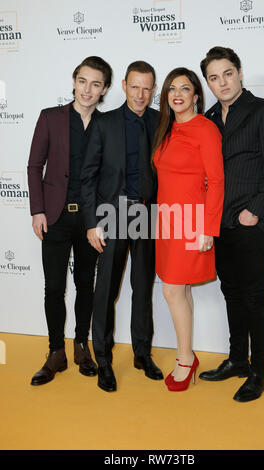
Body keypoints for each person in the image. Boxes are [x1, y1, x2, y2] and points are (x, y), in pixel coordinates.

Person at [199, 46, 264, 402]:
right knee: (231, 292)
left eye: (228, 74)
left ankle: (259, 371)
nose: (222, 82)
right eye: (213, 77)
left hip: (253, 221)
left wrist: (254, 209)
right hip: (220, 224)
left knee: (254, 296)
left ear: (239, 73)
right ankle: (237, 359)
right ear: (207, 81)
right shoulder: (206, 119)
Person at [27, 56, 112, 385]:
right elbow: (35, 166)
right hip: (55, 217)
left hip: (91, 221)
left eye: (95, 84)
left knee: (85, 287)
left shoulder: (107, 126)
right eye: (82, 81)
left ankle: (81, 346)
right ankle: (54, 353)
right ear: (74, 82)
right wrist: (37, 210)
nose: (87, 89)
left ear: (104, 89)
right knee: (53, 288)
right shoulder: (50, 118)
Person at [81, 61, 163, 392]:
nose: (141, 94)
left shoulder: (161, 122)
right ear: (125, 85)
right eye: (135, 87)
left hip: (147, 213)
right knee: (106, 293)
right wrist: (91, 223)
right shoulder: (105, 123)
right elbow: (87, 176)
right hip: (113, 212)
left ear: (153, 90)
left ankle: (142, 354)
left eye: (147, 88)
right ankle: (103, 359)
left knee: (143, 288)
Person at [152, 68, 224, 392]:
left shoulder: (206, 130)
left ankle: (185, 359)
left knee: (170, 289)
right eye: (171, 88)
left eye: (185, 88)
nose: (177, 93)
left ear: (196, 95)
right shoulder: (165, 129)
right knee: (179, 290)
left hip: (192, 223)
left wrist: (208, 228)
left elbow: (217, 181)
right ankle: (187, 354)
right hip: (167, 221)